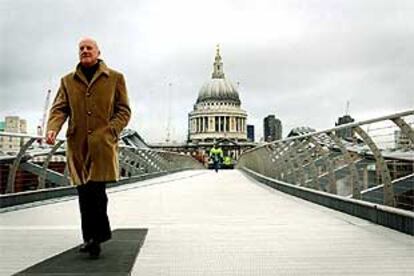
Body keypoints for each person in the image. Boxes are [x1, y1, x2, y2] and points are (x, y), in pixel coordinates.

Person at [46, 37, 131, 259]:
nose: (85, 51)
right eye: (81, 48)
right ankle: (92, 238)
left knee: (97, 191)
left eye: (89, 48)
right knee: (84, 192)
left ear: (98, 52)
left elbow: (124, 111)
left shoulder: (115, 78)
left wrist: (110, 131)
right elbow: (59, 109)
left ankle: (95, 237)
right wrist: (52, 129)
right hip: (78, 145)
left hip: (102, 144)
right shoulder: (67, 81)